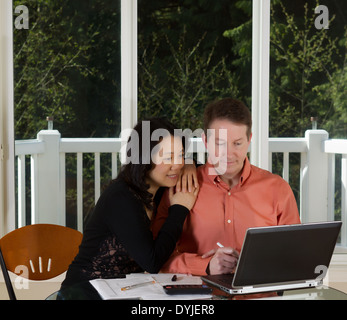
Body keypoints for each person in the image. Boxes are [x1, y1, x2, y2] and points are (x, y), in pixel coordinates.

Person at [152, 98, 301, 276]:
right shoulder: (180, 187)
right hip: (201, 300)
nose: (228, 154)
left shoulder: (278, 189)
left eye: (237, 143)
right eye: (219, 143)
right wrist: (205, 266)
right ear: (205, 141)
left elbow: (294, 257)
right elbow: (157, 259)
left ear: (249, 140)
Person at [61, 118, 199, 288]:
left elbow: (202, 166)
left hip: (124, 290)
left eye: (180, 155)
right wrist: (180, 208)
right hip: (84, 291)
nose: (177, 164)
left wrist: (190, 163)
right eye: (168, 157)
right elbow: (152, 262)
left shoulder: (159, 187)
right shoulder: (121, 197)